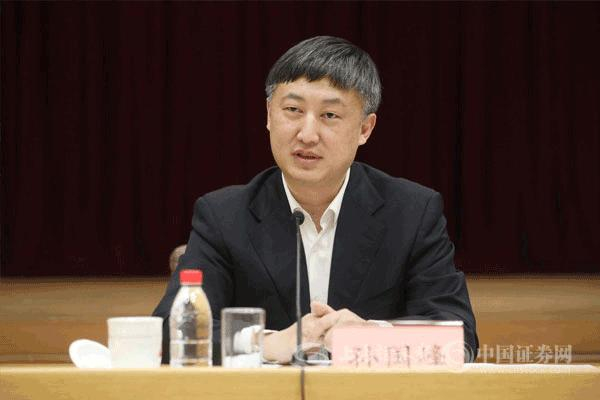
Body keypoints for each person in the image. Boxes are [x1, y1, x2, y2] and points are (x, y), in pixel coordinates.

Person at [153, 36, 478, 364]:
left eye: (330, 115)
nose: (307, 135)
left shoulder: (411, 212)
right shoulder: (224, 215)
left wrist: (371, 336)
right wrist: (267, 343)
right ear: (269, 115)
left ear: (365, 128)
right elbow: (171, 330)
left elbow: (459, 336)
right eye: (293, 110)